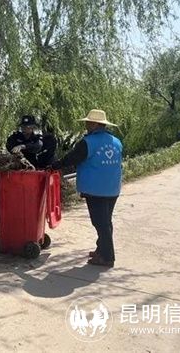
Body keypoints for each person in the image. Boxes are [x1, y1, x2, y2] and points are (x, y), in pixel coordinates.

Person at [51, 109, 122, 267]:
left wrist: (55, 165)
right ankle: (101, 249)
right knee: (105, 221)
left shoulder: (88, 142)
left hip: (96, 189)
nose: (86, 125)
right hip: (113, 187)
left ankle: (107, 257)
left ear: (95, 124)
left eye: (88, 122)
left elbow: (72, 158)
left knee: (100, 223)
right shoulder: (116, 141)